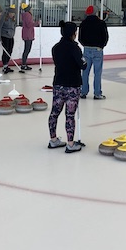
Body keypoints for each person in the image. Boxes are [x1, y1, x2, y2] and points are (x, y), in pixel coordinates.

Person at [46, 21, 85, 153]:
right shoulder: (75, 48)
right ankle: (70, 143)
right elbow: (83, 65)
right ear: (72, 33)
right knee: (70, 115)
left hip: (58, 84)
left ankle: (53, 139)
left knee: (54, 113)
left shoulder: (55, 47)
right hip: (72, 86)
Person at [78, 5, 108, 100]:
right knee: (97, 73)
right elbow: (105, 37)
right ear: (96, 12)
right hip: (97, 50)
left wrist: (85, 45)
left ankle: (83, 92)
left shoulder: (83, 23)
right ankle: (97, 93)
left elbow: (80, 38)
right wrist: (101, 46)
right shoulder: (101, 23)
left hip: (86, 49)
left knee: (85, 72)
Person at [18, 3, 36, 71]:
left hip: (27, 34)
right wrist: (37, 23)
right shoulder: (28, 15)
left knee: (26, 50)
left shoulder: (25, 15)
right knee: (27, 50)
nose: (31, 10)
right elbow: (29, 25)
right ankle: (23, 64)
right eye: (30, 8)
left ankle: (24, 64)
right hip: (28, 35)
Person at [0, 6, 18, 73]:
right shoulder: (4, 17)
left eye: (13, 13)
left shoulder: (13, 18)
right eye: (11, 13)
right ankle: (4, 66)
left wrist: (13, 33)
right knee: (6, 51)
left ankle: (7, 65)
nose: (12, 14)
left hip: (11, 36)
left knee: (10, 50)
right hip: (4, 36)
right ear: (9, 12)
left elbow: (14, 26)